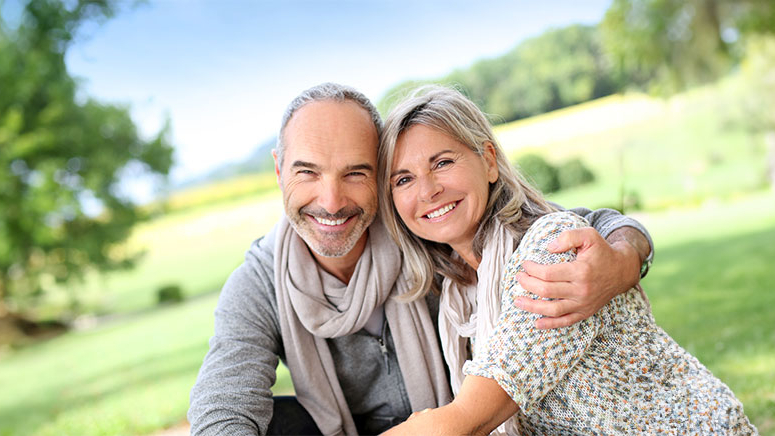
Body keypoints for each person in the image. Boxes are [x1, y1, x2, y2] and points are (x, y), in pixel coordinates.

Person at [187, 82, 655, 436]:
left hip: (456, 425)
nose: (331, 201)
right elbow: (222, 404)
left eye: (356, 173)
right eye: (307, 172)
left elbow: (585, 224)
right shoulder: (262, 280)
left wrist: (623, 258)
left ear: (381, 175)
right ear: (278, 169)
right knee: (278, 422)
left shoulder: (421, 231)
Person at [377, 85, 757, 435]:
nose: (428, 190)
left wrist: (628, 251)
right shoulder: (456, 295)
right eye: (404, 179)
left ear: (489, 162)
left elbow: (462, 422)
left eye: (442, 162)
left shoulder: (552, 250)